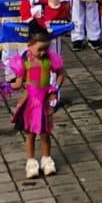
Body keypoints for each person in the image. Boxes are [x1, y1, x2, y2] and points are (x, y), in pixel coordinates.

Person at [9, 23, 65, 179]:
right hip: (30, 102)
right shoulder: (24, 61)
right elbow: (19, 84)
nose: (42, 52)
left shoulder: (50, 59)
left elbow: (61, 74)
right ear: (29, 45)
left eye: (45, 49)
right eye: (39, 49)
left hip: (44, 101)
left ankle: (47, 159)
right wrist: (3, 86)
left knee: (45, 132)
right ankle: (31, 161)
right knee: (30, 134)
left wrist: (55, 88)